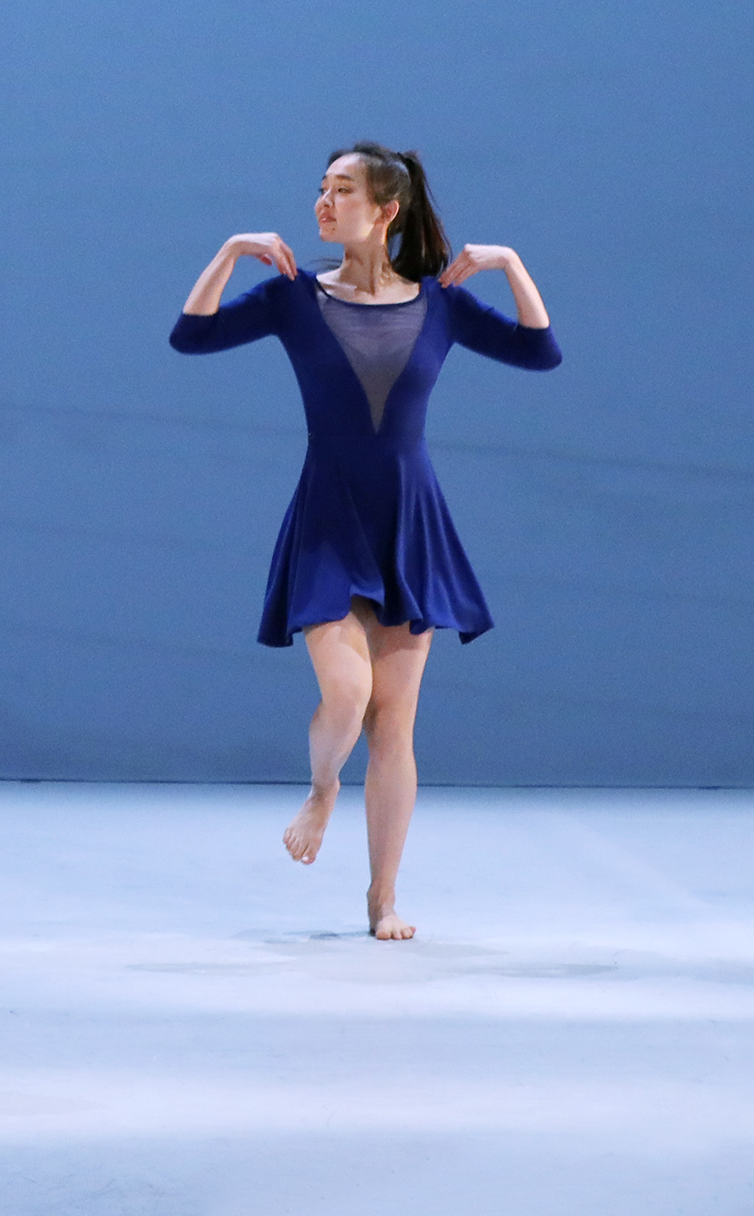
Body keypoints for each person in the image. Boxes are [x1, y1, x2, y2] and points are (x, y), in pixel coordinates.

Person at [170, 142, 556, 939]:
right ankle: (322, 789)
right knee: (348, 694)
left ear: (386, 210)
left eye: (342, 189)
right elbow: (191, 335)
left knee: (394, 725)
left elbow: (539, 350)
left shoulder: (440, 304)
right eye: (321, 187)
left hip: (410, 525)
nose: (323, 200)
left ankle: (383, 897)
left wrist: (511, 263)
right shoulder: (293, 297)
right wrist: (231, 250)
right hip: (328, 521)